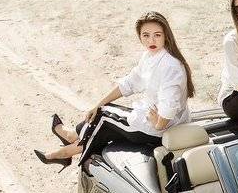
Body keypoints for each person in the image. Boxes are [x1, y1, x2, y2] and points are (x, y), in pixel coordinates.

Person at [37, 13, 194, 168]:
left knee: (103, 117)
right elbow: (130, 83)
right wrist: (99, 104)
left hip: (159, 129)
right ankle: (72, 138)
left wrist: (159, 125)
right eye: (146, 35)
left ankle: (66, 150)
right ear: (139, 36)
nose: (151, 41)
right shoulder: (150, 56)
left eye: (157, 35)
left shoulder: (170, 66)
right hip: (153, 119)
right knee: (102, 113)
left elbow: (169, 105)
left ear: (166, 35)